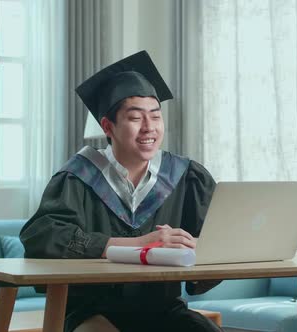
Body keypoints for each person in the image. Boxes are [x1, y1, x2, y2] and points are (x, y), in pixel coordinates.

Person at [20, 51, 222, 332]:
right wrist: (141, 244)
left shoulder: (187, 177)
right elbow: (43, 238)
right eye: (136, 118)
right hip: (90, 310)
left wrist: (200, 247)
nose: (149, 128)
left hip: (162, 311)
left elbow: (217, 242)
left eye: (155, 116)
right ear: (108, 126)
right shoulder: (78, 177)